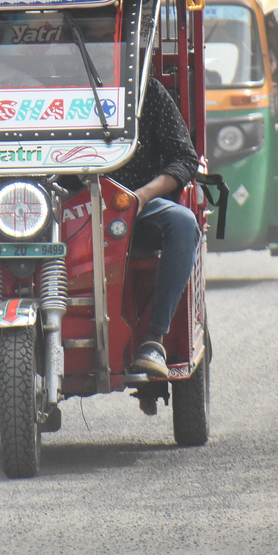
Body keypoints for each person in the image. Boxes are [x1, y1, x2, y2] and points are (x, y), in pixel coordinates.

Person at [110, 78, 200, 378]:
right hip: (66, 208)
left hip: (137, 205)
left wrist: (142, 196)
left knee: (184, 223)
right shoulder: (53, 88)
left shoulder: (146, 89)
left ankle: (154, 341)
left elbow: (185, 158)